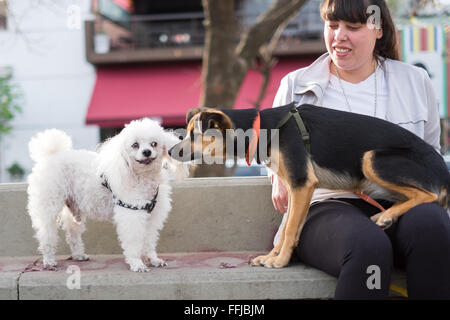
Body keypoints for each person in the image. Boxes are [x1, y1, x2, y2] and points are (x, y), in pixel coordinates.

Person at [269, 0, 450, 299]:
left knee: (434, 228)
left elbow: (427, 154)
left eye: (352, 27)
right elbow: (273, 150)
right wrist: (279, 175)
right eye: (332, 25)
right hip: (327, 208)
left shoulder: (415, 80)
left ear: (378, 29)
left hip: (399, 203)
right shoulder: (296, 85)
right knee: (368, 246)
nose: (339, 36)